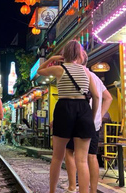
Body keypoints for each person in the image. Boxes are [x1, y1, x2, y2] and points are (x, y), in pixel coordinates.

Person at [37, 40, 99, 193]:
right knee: (82, 160)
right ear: (79, 54)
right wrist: (91, 117)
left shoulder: (60, 69)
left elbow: (40, 71)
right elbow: (96, 97)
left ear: (64, 54)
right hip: (83, 109)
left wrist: (52, 59)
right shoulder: (86, 72)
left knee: (57, 157)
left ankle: (52, 191)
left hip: (64, 108)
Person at [64, 52, 113, 193]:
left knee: (69, 151)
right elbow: (108, 98)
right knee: (92, 156)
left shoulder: (78, 75)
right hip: (94, 124)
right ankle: (93, 190)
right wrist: (99, 115)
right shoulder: (96, 77)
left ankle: (73, 186)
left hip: (78, 121)